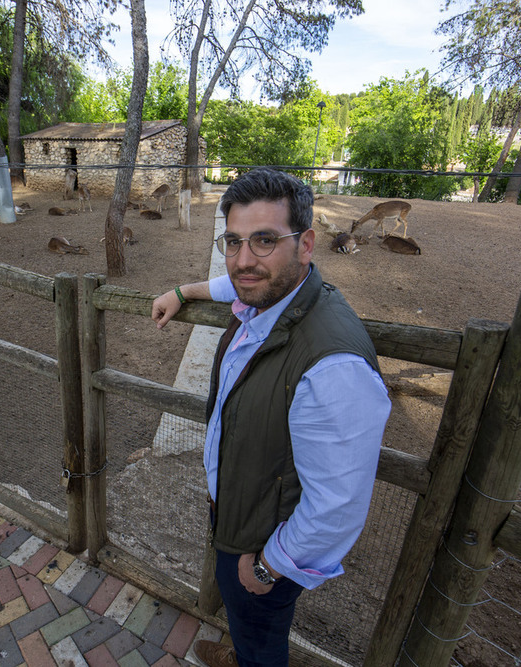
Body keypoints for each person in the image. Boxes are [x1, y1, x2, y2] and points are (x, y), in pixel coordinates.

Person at [151, 168, 391, 667]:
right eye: (233, 242)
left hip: (263, 548)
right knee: (247, 627)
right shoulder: (282, 294)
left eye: (264, 240)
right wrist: (186, 291)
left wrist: (266, 568)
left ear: (306, 245)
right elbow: (241, 279)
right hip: (242, 514)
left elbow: (338, 507)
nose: (243, 260)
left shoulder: (332, 367)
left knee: (261, 635)